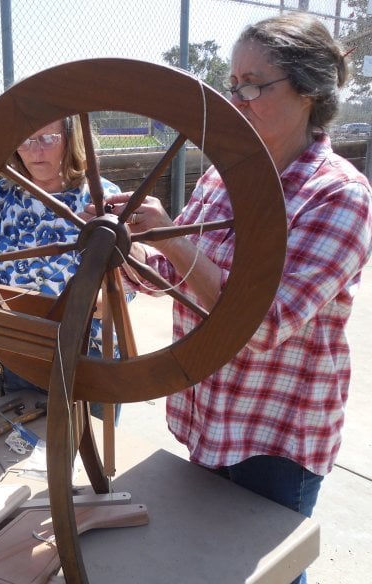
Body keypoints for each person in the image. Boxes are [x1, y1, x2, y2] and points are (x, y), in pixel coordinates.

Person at [100, 13, 372, 584]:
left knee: (265, 574)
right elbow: (170, 280)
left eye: (255, 83)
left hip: (275, 435)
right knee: (207, 566)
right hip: (210, 413)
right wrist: (121, 247)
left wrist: (173, 246)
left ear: (308, 92)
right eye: (233, 82)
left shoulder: (338, 196)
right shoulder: (223, 177)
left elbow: (265, 322)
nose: (237, 97)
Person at [0, 116, 129, 421]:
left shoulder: (103, 197)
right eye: (25, 140)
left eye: (46, 139)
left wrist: (106, 302)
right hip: (19, 351)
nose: (35, 151)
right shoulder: (0, 196)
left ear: (69, 136)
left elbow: (128, 281)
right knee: (20, 451)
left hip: (92, 356)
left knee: (93, 460)